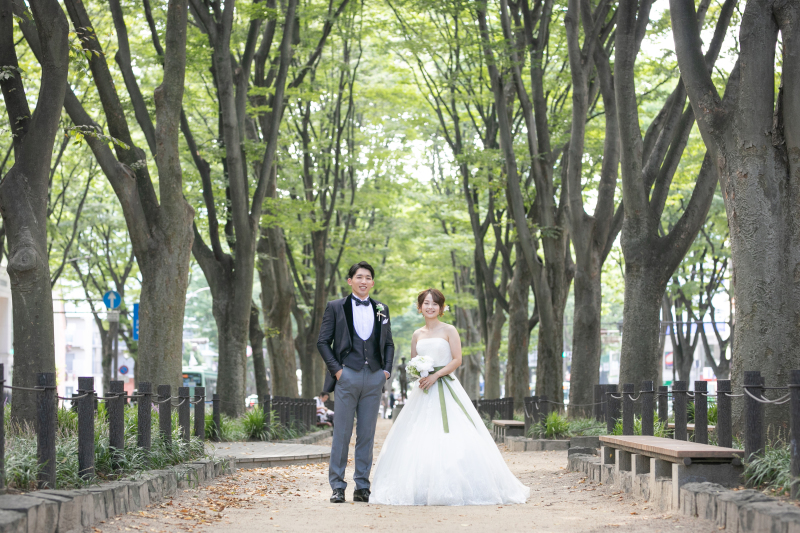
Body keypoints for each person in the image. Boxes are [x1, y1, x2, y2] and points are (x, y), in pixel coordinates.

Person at [370, 288, 530, 506]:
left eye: (435, 303)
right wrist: (420, 375)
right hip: (424, 388)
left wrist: (436, 374)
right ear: (420, 307)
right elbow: (414, 362)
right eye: (426, 303)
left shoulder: (449, 330)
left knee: (453, 432)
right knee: (419, 435)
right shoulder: (417, 334)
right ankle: (420, 488)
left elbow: (457, 360)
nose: (430, 307)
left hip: (445, 385)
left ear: (441, 307)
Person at [317, 261, 394, 504]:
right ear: (350, 280)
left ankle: (362, 486)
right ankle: (337, 486)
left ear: (372, 282)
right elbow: (322, 342)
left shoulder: (382, 308)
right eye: (359, 276)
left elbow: (389, 343)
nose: (363, 281)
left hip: (374, 377)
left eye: (368, 277)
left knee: (366, 435)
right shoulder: (335, 307)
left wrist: (386, 372)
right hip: (346, 375)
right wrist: (337, 371)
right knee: (341, 433)